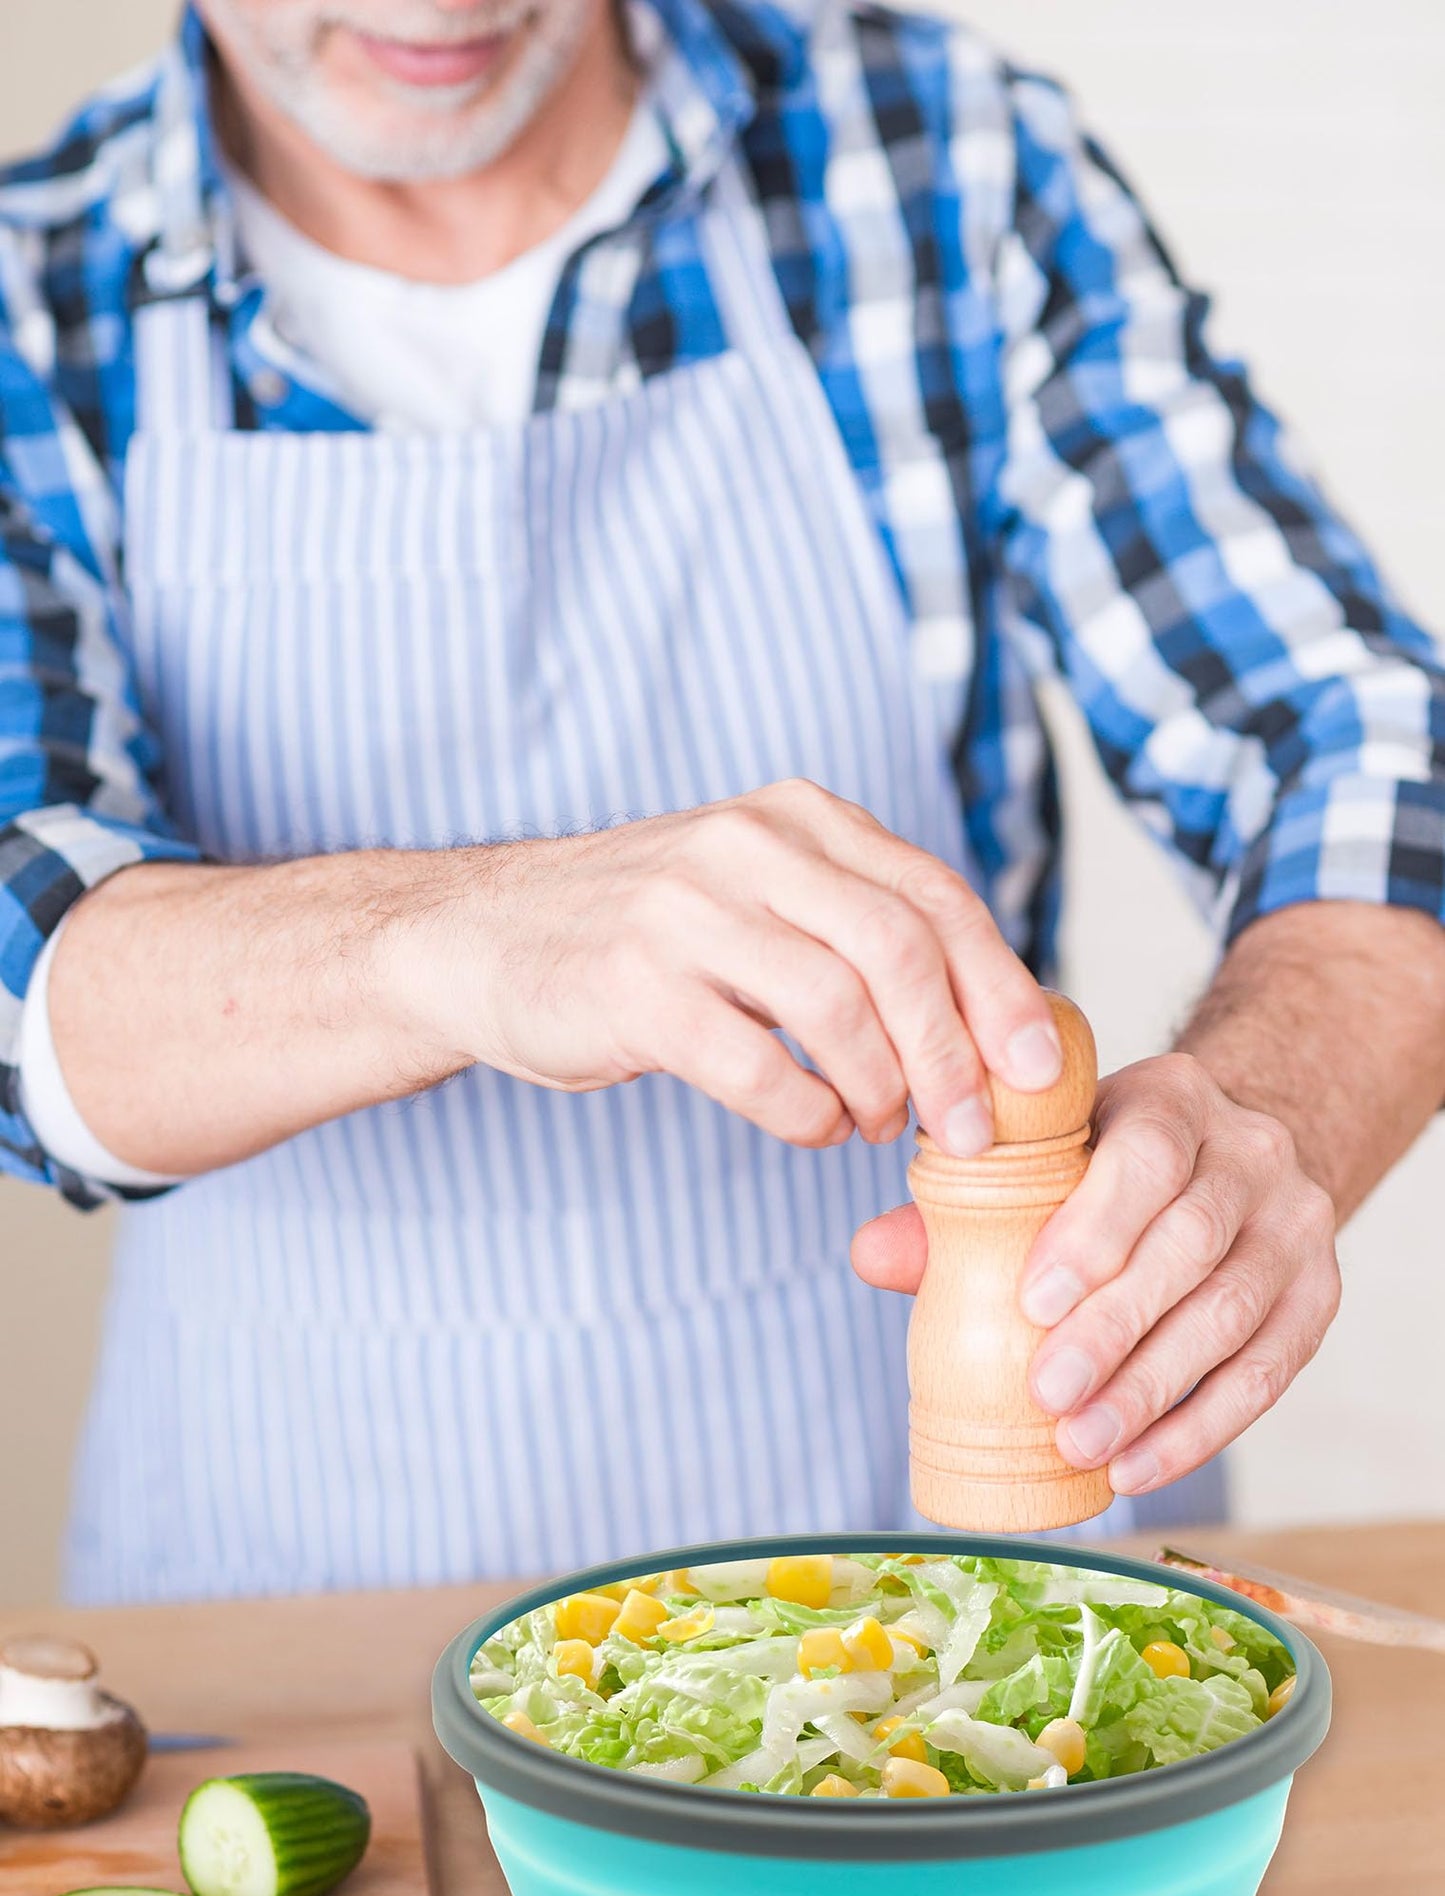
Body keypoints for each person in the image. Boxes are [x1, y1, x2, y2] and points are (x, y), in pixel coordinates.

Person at [2, 0, 1442, 1606]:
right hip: (297, 1613)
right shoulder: (34, 296)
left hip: (964, 1602)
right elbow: (28, 969)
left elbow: (1369, 751)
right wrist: (463, 933)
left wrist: (1271, 1119)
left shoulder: (935, 166)